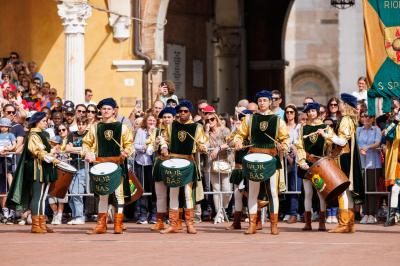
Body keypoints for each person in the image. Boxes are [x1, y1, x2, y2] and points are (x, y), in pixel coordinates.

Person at [233, 90, 290, 235]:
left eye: (265, 100)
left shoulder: (277, 120)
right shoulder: (249, 119)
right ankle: (252, 224)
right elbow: (239, 134)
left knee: (272, 192)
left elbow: (285, 138)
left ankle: (274, 225)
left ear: (270, 102)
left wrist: (285, 145)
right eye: (260, 100)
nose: (262, 103)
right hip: (254, 158)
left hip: (271, 158)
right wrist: (238, 141)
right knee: (252, 192)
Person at [83, 98, 134, 234]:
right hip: (101, 164)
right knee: (103, 194)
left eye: (108, 109)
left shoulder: (122, 127)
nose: (105, 111)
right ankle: (101, 225)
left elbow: (129, 144)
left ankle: (118, 224)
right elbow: (86, 143)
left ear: (114, 111)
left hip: (117, 164)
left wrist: (126, 151)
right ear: (100, 110)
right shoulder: (95, 127)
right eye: (103, 108)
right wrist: (87, 153)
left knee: (119, 195)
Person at [159, 100, 208, 234]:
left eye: (185, 111)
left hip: (188, 162)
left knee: (187, 194)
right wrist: (163, 146)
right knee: (173, 193)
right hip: (174, 161)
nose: (182, 113)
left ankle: (190, 224)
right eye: (180, 111)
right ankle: (174, 224)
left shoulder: (196, 127)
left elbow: (203, 142)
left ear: (190, 112)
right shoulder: (171, 126)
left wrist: (203, 146)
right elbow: (164, 138)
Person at [7, 112, 59, 233]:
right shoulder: (33, 134)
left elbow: (45, 149)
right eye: (44, 121)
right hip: (37, 168)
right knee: (38, 196)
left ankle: (42, 223)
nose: (46, 123)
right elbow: (37, 151)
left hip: (45, 167)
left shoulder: (44, 134)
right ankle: (36, 225)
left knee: (43, 196)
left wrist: (53, 150)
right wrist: (51, 157)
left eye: (46, 121)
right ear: (37, 122)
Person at [321, 93, 364, 233]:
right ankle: (349, 224)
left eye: (340, 102)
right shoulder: (348, 119)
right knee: (347, 192)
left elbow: (342, 141)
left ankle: (344, 223)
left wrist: (327, 135)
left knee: (342, 191)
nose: (338, 105)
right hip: (345, 156)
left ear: (345, 104)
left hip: (343, 157)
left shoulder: (345, 120)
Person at [295, 102, 338, 231]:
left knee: (321, 193)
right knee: (307, 193)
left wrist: (325, 135)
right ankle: (307, 222)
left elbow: (332, 141)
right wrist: (301, 161)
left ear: (317, 112)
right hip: (306, 164)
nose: (310, 113)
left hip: (320, 165)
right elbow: (299, 145)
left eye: (313, 111)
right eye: (308, 111)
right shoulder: (303, 128)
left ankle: (321, 222)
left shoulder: (325, 127)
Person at [147, 107, 176, 231]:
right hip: (160, 163)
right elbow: (149, 148)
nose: (166, 119)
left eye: (169, 117)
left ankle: (175, 222)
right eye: (164, 117)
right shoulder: (157, 131)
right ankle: (160, 221)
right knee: (160, 195)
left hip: (174, 162)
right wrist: (155, 143)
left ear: (174, 118)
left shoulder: (177, 130)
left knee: (174, 194)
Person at [226, 109, 253, 230]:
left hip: (250, 167)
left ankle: (255, 221)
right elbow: (228, 141)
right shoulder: (237, 132)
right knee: (237, 195)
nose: (242, 121)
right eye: (241, 118)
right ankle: (236, 222)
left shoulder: (254, 132)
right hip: (238, 167)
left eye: (245, 118)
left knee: (252, 195)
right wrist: (235, 132)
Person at [204, 111, 231, 223]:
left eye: (212, 119)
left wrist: (218, 148)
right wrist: (206, 131)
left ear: (216, 119)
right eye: (207, 120)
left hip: (225, 162)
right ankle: (219, 213)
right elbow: (204, 146)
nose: (210, 122)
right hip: (212, 164)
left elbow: (230, 143)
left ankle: (222, 209)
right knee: (216, 190)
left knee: (227, 190)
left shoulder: (225, 130)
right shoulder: (206, 133)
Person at [357, 113, 381, 224]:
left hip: (373, 164)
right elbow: (356, 143)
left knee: (371, 189)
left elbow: (377, 143)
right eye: (364, 116)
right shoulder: (358, 130)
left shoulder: (376, 129)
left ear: (373, 119)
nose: (366, 118)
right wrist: (360, 149)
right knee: (364, 189)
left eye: (369, 116)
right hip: (361, 163)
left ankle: (372, 213)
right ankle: (365, 213)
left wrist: (367, 147)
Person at [65, 117, 89, 225]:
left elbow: (88, 149)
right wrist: (80, 149)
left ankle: (80, 216)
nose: (80, 126)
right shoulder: (72, 134)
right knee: (71, 193)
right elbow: (67, 149)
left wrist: (74, 148)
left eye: (83, 124)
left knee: (77, 192)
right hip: (73, 166)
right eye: (79, 124)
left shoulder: (88, 134)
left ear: (86, 125)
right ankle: (75, 216)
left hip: (83, 166)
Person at [134, 113, 157, 224]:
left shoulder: (157, 131)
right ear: (146, 122)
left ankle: (154, 214)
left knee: (153, 189)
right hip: (141, 163)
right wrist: (144, 147)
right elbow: (136, 145)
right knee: (142, 189)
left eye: (153, 121)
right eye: (149, 120)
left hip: (152, 164)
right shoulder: (140, 131)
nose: (151, 122)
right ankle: (143, 215)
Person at [283, 104, 302, 224]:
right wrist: (287, 155)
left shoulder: (299, 127)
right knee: (283, 187)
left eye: (291, 112)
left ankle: (294, 213)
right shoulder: (282, 126)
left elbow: (299, 143)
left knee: (295, 186)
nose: (289, 114)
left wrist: (293, 157)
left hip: (297, 160)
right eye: (287, 112)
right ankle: (284, 211)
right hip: (284, 158)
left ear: (295, 114)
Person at [382, 112, 400, 226]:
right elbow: (387, 134)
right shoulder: (394, 125)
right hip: (397, 164)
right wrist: (396, 121)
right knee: (395, 189)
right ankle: (391, 217)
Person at [0, 118, 17, 224]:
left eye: (5, 126)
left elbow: (14, 144)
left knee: (8, 172)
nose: (3, 128)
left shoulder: (10, 135)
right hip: (0, 156)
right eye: (2, 126)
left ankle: (11, 186)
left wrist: (9, 149)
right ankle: (5, 212)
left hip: (8, 156)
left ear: (9, 127)